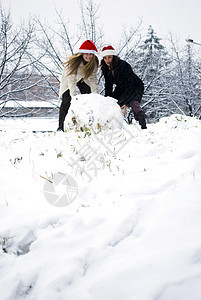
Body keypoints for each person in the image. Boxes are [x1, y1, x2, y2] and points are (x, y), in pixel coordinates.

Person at [100, 45, 147, 129]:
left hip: (135, 86)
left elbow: (129, 84)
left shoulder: (123, 65)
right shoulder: (106, 69)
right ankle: (110, 125)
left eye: (109, 57)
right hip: (121, 87)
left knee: (133, 102)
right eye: (105, 58)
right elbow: (108, 86)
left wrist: (125, 102)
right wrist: (107, 99)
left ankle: (143, 126)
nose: (107, 60)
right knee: (112, 102)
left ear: (114, 57)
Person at [57, 40, 99, 131]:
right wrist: (73, 95)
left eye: (91, 54)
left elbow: (93, 78)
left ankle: (88, 123)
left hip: (83, 79)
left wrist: (94, 93)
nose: (88, 56)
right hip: (69, 79)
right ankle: (61, 127)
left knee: (88, 98)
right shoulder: (74, 62)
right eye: (86, 54)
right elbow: (71, 79)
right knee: (66, 101)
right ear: (82, 53)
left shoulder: (94, 62)